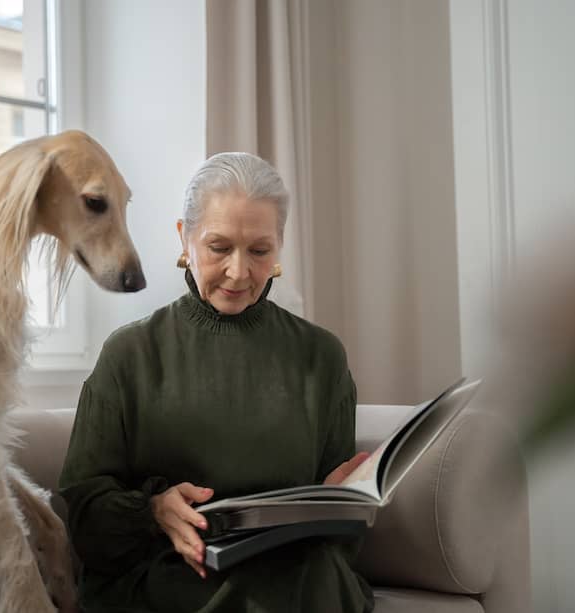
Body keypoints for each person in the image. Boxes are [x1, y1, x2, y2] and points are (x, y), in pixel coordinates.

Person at [59, 152, 375, 613]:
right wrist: (152, 512)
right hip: (166, 571)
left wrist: (336, 505)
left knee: (318, 572)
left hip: (294, 570)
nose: (239, 272)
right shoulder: (129, 355)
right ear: (184, 239)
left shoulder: (321, 357)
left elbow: (341, 543)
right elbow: (85, 520)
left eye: (260, 251)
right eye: (219, 247)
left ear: (280, 245)